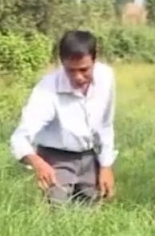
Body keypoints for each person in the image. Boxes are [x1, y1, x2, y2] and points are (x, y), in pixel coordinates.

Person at [10, 30, 117, 207]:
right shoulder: (47, 89)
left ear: (95, 59)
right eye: (70, 70)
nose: (78, 77)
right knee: (56, 215)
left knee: (90, 217)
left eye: (84, 69)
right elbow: (19, 137)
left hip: (91, 157)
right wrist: (38, 163)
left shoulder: (105, 77)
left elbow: (105, 124)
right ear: (62, 63)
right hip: (56, 159)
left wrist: (106, 166)